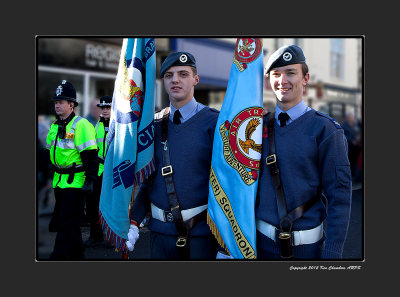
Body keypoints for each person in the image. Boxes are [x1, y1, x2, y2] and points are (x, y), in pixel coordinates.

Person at [255, 45, 352, 259]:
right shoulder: (257, 128)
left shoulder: (326, 130)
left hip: (305, 251)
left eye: (291, 73)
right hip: (259, 246)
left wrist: (332, 254)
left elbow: (340, 197)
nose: (282, 81)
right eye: (276, 74)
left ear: (305, 78)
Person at [126, 52, 220, 259]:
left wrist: (226, 242)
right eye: (169, 75)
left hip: (201, 236)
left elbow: (226, 186)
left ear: (196, 79)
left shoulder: (215, 123)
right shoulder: (153, 125)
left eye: (183, 74)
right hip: (159, 234)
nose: (175, 80)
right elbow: (149, 180)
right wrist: (134, 221)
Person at [45, 80, 99, 260]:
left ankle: (57, 258)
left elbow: (91, 157)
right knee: (71, 226)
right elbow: (50, 153)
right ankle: (77, 256)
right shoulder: (55, 125)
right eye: (56, 102)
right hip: (59, 181)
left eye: (61, 102)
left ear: (72, 104)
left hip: (75, 183)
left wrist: (89, 182)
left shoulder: (81, 125)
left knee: (66, 225)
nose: (57, 105)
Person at [84, 95, 112, 247]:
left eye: (108, 107)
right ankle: (96, 235)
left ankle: (114, 237)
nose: (105, 110)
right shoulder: (97, 125)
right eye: (103, 108)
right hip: (99, 170)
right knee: (93, 204)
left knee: (111, 206)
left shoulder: (118, 125)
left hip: (112, 171)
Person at [341, 110, 361, 180]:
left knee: (356, 161)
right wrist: (351, 141)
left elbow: (358, 132)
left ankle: (354, 174)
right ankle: (349, 175)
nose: (351, 117)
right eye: (350, 116)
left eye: (352, 116)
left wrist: (358, 139)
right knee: (349, 161)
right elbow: (343, 136)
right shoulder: (343, 125)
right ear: (347, 117)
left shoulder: (355, 124)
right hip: (349, 147)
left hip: (356, 147)